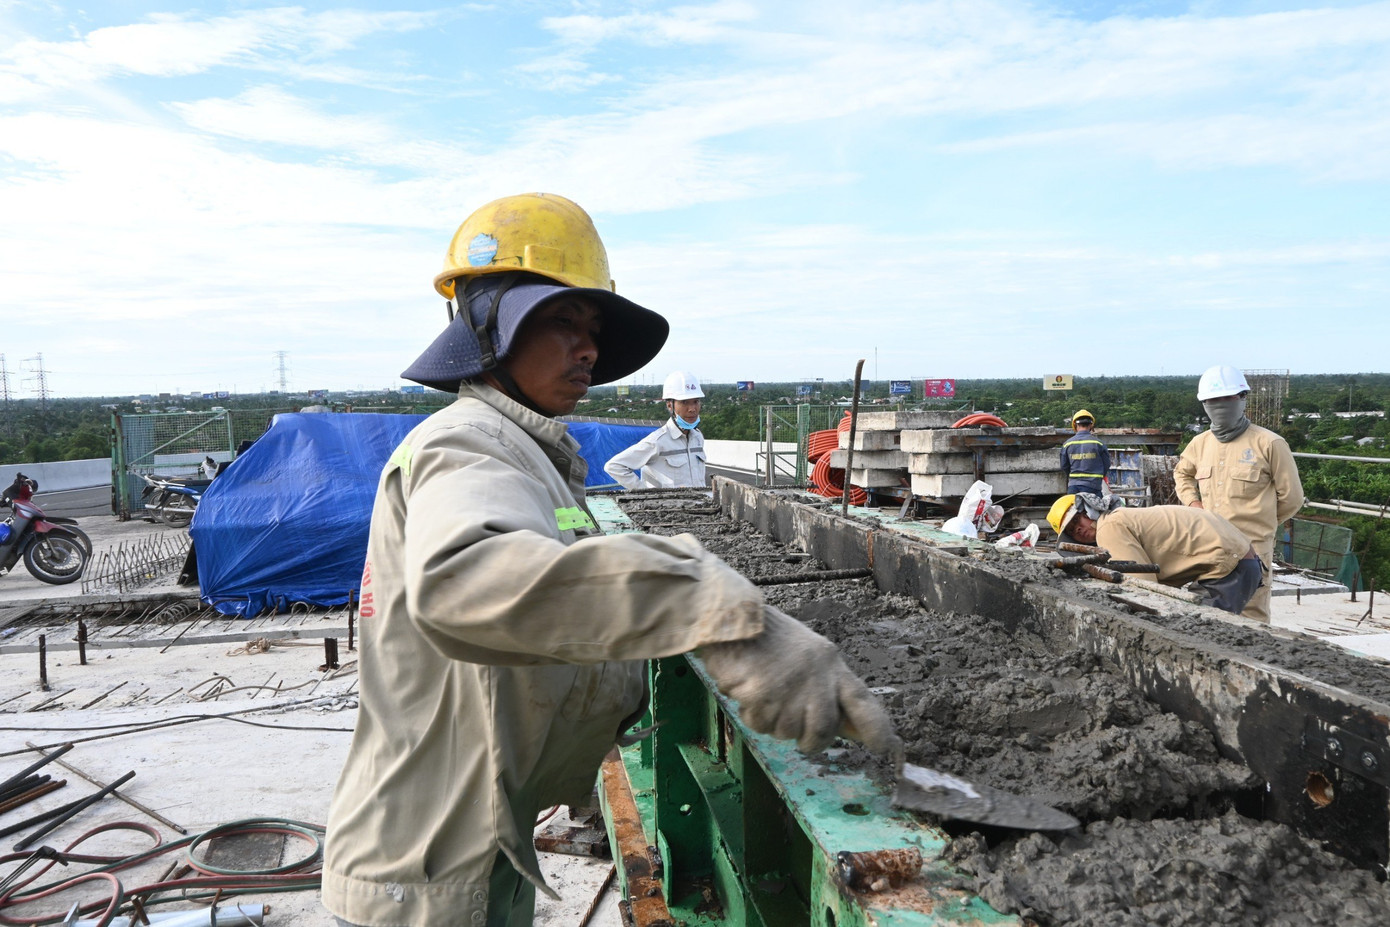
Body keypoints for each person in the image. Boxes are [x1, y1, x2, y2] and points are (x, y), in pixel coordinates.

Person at [321, 193, 898, 927]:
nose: (588, 348)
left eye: (592, 329)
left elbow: (571, 590)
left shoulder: (531, 456)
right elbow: (466, 580)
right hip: (418, 874)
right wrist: (712, 605)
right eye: (562, 320)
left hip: (470, 849)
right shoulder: (464, 444)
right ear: (487, 321)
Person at [1173, 365, 1304, 623]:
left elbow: (1292, 497)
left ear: (1243, 398)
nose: (1220, 405)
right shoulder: (1199, 444)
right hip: (1211, 547)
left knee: (1251, 617)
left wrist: (1261, 523)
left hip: (1253, 549)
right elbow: (1182, 474)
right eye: (1213, 400)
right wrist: (1194, 504)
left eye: (1228, 398)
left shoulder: (1269, 444)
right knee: (1209, 615)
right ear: (1204, 404)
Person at [1048, 493, 1263, 615]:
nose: (1077, 529)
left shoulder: (1109, 528)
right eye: (1071, 530)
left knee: (1200, 628)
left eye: (1078, 520)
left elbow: (1143, 588)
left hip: (1227, 562)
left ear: (1090, 510)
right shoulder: (1120, 517)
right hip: (1235, 557)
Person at [603, 370, 707, 489]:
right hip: (672, 507)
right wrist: (645, 493)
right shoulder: (658, 441)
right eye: (684, 403)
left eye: (696, 402)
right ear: (670, 405)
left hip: (700, 504)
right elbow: (614, 466)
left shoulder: (698, 437)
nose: (692, 409)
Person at [1059, 408, 1110, 495]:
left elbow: (1064, 466)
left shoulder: (1067, 444)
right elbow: (1106, 465)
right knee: (1095, 508)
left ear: (1075, 425)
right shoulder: (1098, 443)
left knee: (1073, 508)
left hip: (1073, 487)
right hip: (1093, 487)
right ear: (1091, 425)